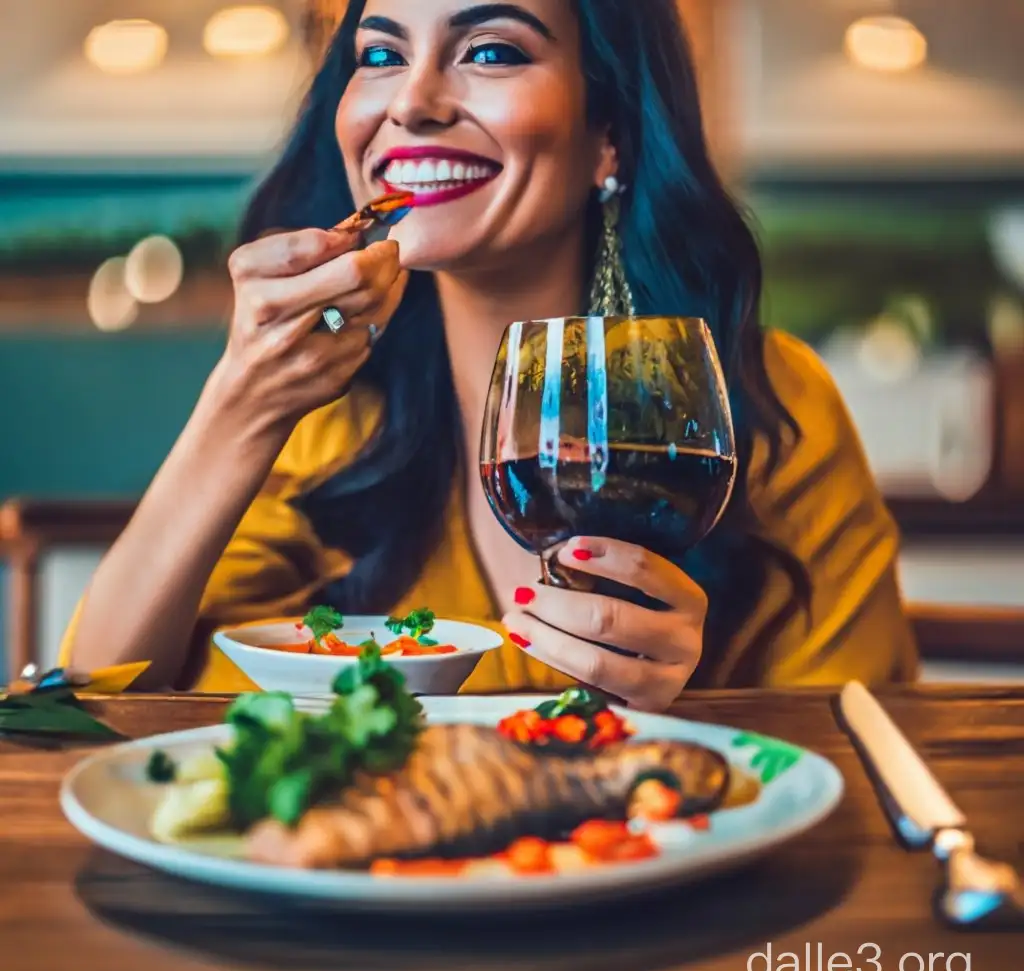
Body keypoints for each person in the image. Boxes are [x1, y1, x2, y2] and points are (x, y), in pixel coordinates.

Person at [62, 0, 919, 708]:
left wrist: (681, 714)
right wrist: (238, 404)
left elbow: (863, 753)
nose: (414, 102)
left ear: (608, 136)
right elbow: (90, 698)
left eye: (492, 49)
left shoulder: (768, 407)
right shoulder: (329, 411)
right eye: (381, 54)